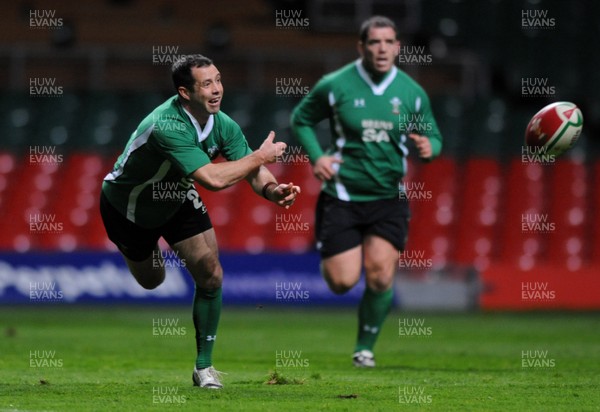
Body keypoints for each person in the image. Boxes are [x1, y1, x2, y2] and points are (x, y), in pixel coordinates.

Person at [100, 54, 300, 388]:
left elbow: (248, 165)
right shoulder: (166, 125)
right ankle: (139, 249)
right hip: (129, 207)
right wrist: (261, 156)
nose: (217, 89)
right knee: (152, 280)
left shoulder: (221, 123)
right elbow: (213, 179)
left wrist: (271, 189)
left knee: (211, 272)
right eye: (207, 84)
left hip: (177, 196)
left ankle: (203, 368)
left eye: (218, 79)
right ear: (185, 92)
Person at [290, 16, 442, 367]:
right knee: (342, 282)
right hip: (342, 195)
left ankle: (365, 349)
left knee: (380, 273)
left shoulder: (412, 93)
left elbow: (434, 135)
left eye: (389, 42)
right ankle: (340, 267)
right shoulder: (335, 84)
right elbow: (301, 118)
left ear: (398, 47)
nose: (382, 49)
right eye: (374, 42)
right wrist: (317, 156)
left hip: (388, 197)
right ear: (361, 47)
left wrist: (429, 147)